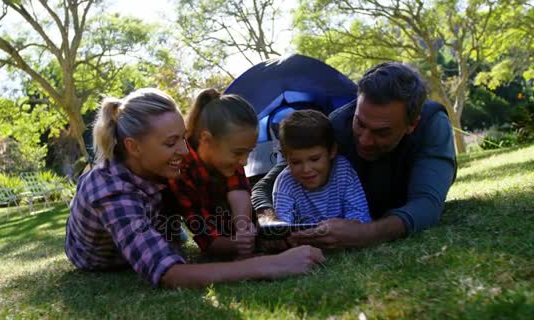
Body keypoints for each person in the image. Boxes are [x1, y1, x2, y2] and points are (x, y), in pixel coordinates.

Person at [64, 88, 324, 288]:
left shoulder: (158, 165)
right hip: (107, 262)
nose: (184, 150)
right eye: (171, 143)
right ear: (133, 147)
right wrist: (272, 265)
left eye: (182, 137)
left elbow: (230, 179)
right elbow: (169, 274)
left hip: (161, 234)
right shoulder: (110, 188)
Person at [252, 62, 457, 249]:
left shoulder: (433, 125)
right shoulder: (337, 126)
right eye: (360, 123)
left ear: (412, 124)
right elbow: (266, 185)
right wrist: (270, 222)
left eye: (382, 132)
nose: (365, 140)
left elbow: (427, 204)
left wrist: (366, 233)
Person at [168, 88, 259, 258]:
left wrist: (243, 228)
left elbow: (239, 188)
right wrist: (236, 245)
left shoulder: (229, 156)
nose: (244, 161)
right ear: (206, 139)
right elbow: (208, 241)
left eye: (249, 152)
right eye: (239, 153)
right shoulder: (180, 169)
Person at [273, 109, 371, 224]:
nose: (306, 169)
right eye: (296, 162)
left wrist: (345, 231)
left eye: (314, 159)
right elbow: (282, 225)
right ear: (286, 159)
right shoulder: (286, 182)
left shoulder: (343, 171)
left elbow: (360, 215)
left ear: (332, 151)